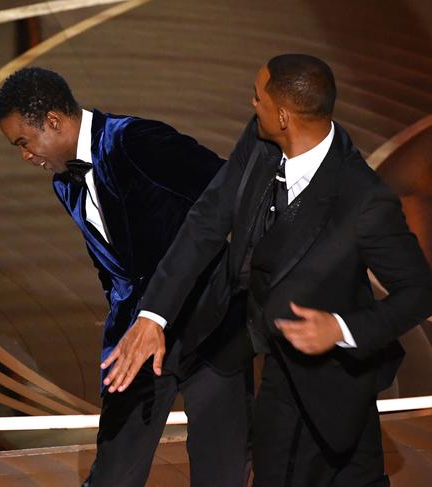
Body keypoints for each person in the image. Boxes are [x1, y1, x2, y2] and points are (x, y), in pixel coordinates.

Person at [106, 54, 432, 486]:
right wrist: (153, 315)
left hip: (330, 373)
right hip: (259, 343)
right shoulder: (260, 140)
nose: (250, 103)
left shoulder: (363, 200)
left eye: (257, 97)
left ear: (283, 116)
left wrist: (341, 329)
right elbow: (207, 220)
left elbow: (420, 291)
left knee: (345, 466)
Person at [0, 67, 252, 487]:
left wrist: (240, 278)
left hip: (210, 324)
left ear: (54, 122)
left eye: (23, 142)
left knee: (221, 471)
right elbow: (109, 263)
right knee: (114, 472)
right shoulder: (65, 183)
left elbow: (229, 190)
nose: (25, 155)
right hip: (135, 338)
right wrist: (125, 312)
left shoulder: (136, 142)